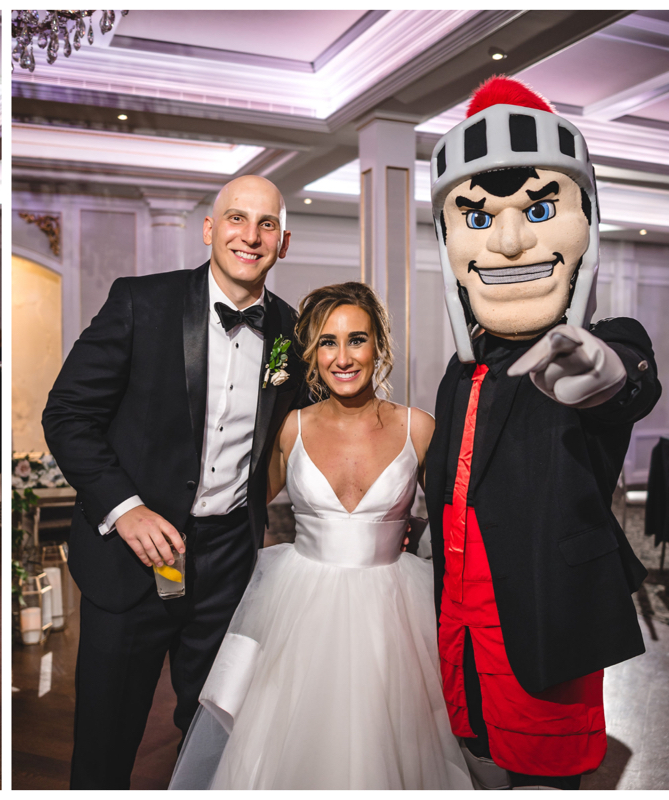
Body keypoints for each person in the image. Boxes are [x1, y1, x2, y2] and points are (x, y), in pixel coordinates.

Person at [424, 77, 660, 790]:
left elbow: (631, 383)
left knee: (545, 775)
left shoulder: (600, 339)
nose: (511, 238)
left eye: (541, 207)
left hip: (541, 611)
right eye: (478, 216)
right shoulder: (458, 368)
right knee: (484, 758)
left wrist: (602, 373)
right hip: (460, 613)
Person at [40, 175, 306, 789]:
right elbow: (68, 414)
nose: (251, 235)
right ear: (210, 230)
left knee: (213, 730)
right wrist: (124, 508)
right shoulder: (140, 302)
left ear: (283, 242)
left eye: (267, 224)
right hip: (131, 557)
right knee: (106, 737)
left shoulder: (293, 334)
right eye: (237, 219)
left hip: (227, 563)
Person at [169, 283, 471, 789]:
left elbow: (452, 519)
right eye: (328, 342)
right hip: (299, 607)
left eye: (357, 339)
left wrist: (404, 532)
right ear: (311, 352)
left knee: (391, 744)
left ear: (379, 346)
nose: (343, 357)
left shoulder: (419, 427)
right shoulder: (289, 428)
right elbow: (236, 505)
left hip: (393, 613)